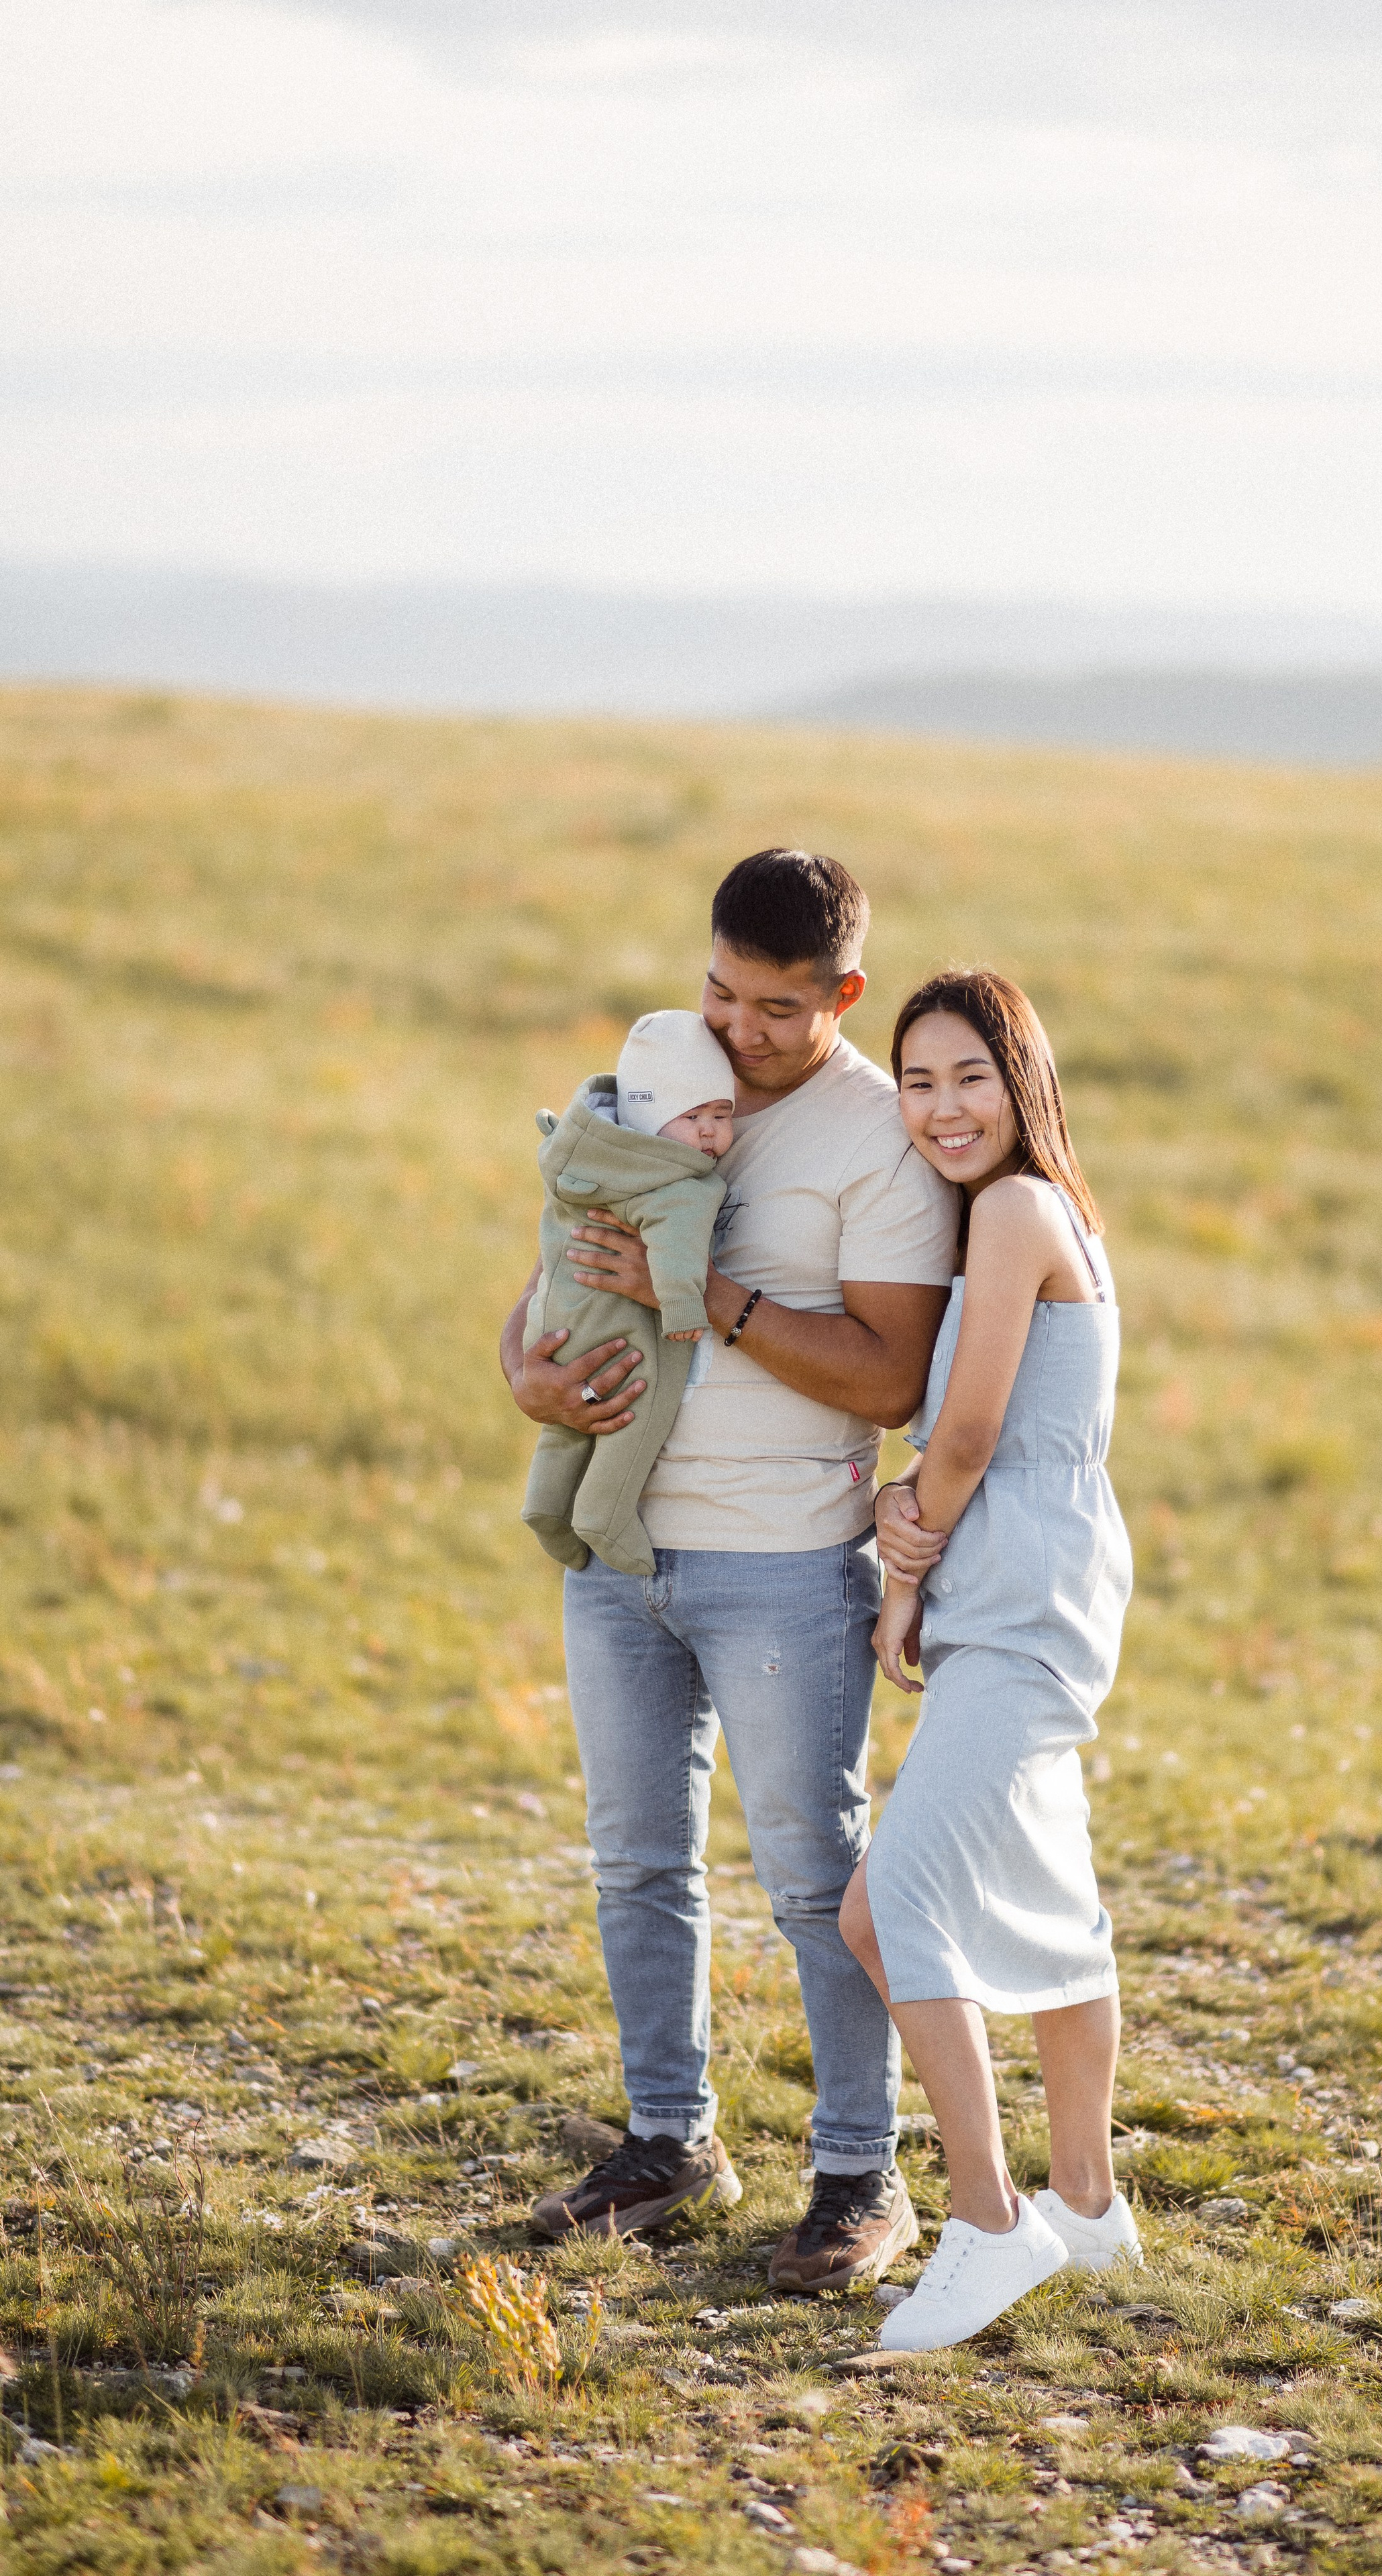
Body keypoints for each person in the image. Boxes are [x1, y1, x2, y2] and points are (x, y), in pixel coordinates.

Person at [499, 849, 959, 2289]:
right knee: (636, 1864)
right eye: (719, 990)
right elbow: (561, 1256)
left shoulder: (881, 1139)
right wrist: (525, 1373)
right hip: (618, 1550)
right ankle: (668, 2139)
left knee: (815, 1878)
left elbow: (887, 1379)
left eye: (773, 1007)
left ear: (844, 995)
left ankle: (856, 2176)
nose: (738, 1031)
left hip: (781, 1565)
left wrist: (709, 1295)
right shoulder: (656, 1071)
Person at [838, 967, 1137, 2352]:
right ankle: (1085, 2203)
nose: (941, 1107)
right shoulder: (1021, 1212)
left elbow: (962, 1440)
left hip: (1013, 1591)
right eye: (916, 1082)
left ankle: (987, 2221)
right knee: (1053, 1895)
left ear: (1021, 1082)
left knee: (886, 1907)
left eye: (968, 1077)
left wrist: (905, 1556)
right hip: (1025, 1582)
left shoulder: (1015, 1212)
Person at [520, 1009, 734, 1575]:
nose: (710, 1133)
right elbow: (677, 1237)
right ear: (653, 1117)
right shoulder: (678, 1181)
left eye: (722, 1114)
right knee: (631, 1414)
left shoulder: (586, 1151)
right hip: (619, 1331)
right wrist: (686, 1305)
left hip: (556, 1323)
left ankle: (545, 1504)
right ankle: (603, 1513)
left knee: (567, 1426)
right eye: (693, 1116)